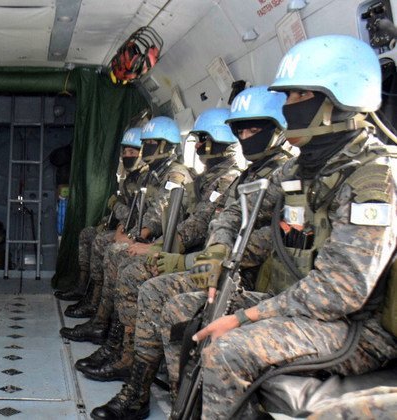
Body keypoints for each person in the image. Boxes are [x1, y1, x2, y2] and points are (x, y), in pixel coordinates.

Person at [163, 35, 397, 419]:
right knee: (180, 313)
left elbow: (340, 294)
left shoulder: (373, 178)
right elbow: (235, 211)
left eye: (298, 97)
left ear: (338, 100)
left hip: (355, 331)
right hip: (297, 310)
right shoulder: (299, 167)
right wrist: (219, 252)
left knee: (227, 347)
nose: (288, 108)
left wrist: (244, 317)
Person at [90, 86, 290, 419]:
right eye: (243, 130)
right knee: (131, 266)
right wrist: (164, 248)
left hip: (246, 276)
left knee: (146, 283)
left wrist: (179, 258)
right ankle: (134, 368)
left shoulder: (265, 176)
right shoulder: (247, 175)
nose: (198, 147)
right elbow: (211, 221)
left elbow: (260, 241)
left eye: (255, 129)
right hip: (213, 265)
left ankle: (145, 384)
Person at [62, 122, 192, 323]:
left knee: (114, 250)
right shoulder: (150, 175)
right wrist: (124, 230)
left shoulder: (175, 175)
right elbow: (137, 212)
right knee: (97, 238)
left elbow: (156, 215)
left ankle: (106, 320)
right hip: (144, 235)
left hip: (164, 242)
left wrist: (131, 238)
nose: (143, 149)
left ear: (166, 145)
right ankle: (97, 305)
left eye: (150, 143)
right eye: (144, 143)